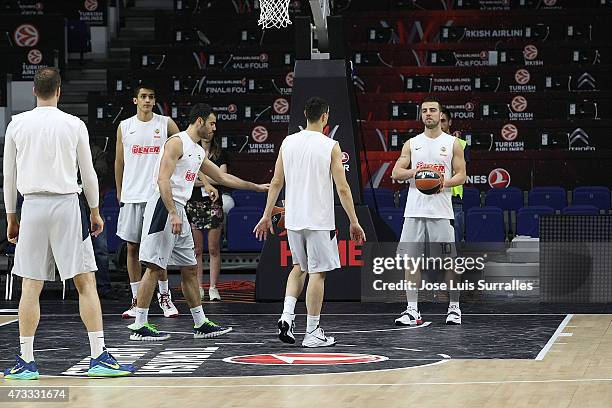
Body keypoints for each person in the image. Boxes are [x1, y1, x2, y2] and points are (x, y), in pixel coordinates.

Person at [2, 67, 134, 379]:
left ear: (34, 91)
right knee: (85, 281)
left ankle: (26, 361)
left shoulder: (16, 124)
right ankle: (98, 356)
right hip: (65, 205)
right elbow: (88, 173)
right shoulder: (73, 124)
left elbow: (10, 177)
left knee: (31, 286)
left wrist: (11, 217)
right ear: (59, 90)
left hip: (31, 206)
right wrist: (95, 210)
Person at [127, 103, 269, 340]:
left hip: (179, 209)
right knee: (154, 266)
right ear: (200, 121)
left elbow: (222, 176)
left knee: (190, 268)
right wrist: (172, 212)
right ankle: (139, 325)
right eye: (212, 123)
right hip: (164, 207)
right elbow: (163, 180)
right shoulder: (176, 142)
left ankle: (200, 323)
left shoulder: (198, 151)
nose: (214, 128)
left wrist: (255, 187)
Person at [254, 97, 366, 348]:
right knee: (318, 273)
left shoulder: (287, 142)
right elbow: (343, 188)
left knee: (298, 267)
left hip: (293, 219)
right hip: (319, 220)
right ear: (325, 117)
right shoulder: (331, 145)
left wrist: (265, 214)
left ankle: (286, 315)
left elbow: (275, 182)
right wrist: (354, 221)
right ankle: (312, 331)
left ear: (305, 114)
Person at [391, 96, 467, 326]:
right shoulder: (412, 144)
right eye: (424, 111)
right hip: (414, 211)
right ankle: (412, 310)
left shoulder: (452, 143)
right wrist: (419, 172)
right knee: (411, 262)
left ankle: (454, 308)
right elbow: (396, 172)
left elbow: (462, 175)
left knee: (449, 262)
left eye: (433, 110)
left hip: (441, 211)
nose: (428, 114)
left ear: (440, 114)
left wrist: (443, 183)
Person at [115, 83, 181, 319]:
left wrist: (203, 181)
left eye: (151, 97)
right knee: (132, 248)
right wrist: (120, 190)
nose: (147, 100)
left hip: (157, 195)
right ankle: (136, 300)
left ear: (155, 101)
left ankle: (165, 297)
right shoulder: (125, 126)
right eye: (142, 96)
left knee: (157, 251)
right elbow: (119, 162)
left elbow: (186, 151)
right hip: (132, 196)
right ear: (135, 100)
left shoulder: (165, 124)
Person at [186, 133, 228, 301]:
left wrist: (203, 180)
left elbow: (222, 178)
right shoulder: (190, 153)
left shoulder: (220, 154)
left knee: (213, 248)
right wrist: (210, 180)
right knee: (196, 250)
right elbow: (188, 179)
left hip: (214, 204)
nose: (208, 134)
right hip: (194, 203)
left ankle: (213, 287)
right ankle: (198, 287)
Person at [440, 107, 468, 243]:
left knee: (456, 230)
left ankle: (455, 261)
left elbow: (460, 171)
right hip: (435, 195)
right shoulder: (426, 144)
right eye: (438, 121)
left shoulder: (461, 144)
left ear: (450, 122)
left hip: (454, 196)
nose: (440, 124)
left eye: (443, 121)